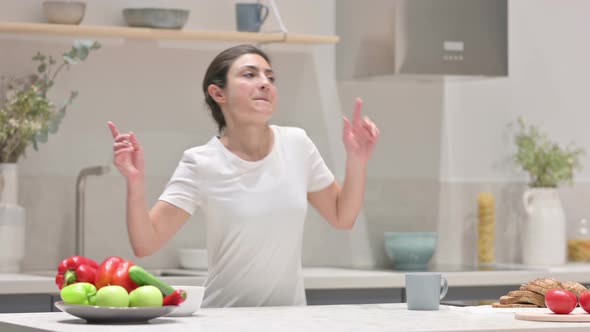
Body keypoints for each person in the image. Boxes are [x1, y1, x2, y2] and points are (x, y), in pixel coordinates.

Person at [107, 44, 379, 308]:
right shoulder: (201, 162)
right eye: (250, 74)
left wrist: (357, 160)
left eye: (270, 77)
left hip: (291, 321)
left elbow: (342, 216)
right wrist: (135, 181)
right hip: (225, 319)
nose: (265, 83)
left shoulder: (297, 144)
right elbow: (145, 243)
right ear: (218, 93)